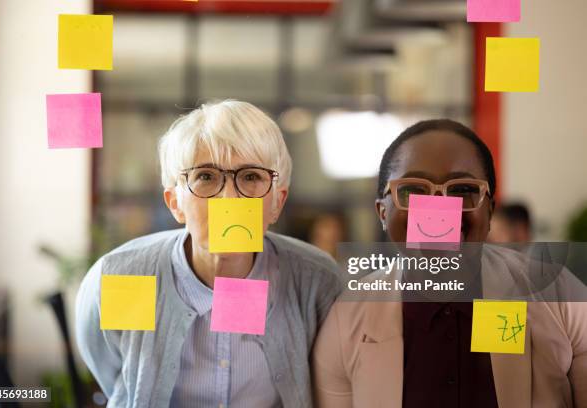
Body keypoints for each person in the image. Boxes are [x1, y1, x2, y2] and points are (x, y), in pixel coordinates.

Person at [76, 100, 341, 407]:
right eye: (205, 177)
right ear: (174, 202)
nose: (228, 198)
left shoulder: (316, 281)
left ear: (277, 202)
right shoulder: (124, 277)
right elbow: (115, 371)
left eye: (251, 177)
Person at [311, 119, 587, 407]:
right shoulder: (346, 320)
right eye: (413, 190)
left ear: (490, 210)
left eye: (462, 190)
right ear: (382, 212)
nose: (439, 211)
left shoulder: (555, 292)